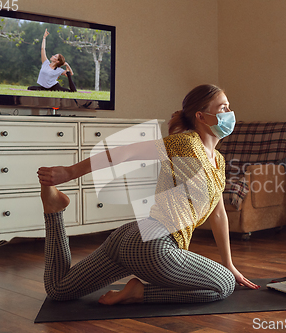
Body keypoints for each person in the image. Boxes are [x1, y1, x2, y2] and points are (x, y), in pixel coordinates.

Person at [37, 84, 260, 305]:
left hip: (131, 239)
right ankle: (138, 294)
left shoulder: (218, 161)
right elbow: (126, 152)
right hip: (155, 246)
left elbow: (218, 214)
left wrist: (229, 263)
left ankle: (53, 211)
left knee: (59, 289)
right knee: (223, 285)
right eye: (222, 108)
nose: (229, 114)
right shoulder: (186, 143)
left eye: (228, 107)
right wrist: (70, 172)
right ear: (201, 116)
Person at [28, 28, 77, 92]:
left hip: (55, 87)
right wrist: (44, 38)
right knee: (29, 88)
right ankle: (48, 90)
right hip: (44, 87)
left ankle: (53, 90)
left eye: (55, 56)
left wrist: (67, 65)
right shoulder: (45, 63)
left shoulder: (59, 70)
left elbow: (71, 74)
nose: (52, 56)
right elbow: (43, 49)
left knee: (72, 91)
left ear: (57, 61)